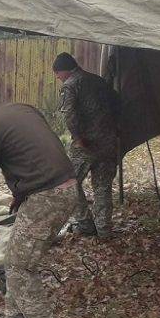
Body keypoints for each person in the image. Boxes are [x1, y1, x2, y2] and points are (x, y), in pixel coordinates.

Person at [0, 80, 75, 318]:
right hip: (68, 188)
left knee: (19, 266)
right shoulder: (23, 109)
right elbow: (37, 152)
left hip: (48, 195)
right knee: (17, 256)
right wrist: (22, 194)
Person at [53, 52, 119, 237]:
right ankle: (104, 229)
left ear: (64, 71)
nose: (57, 78)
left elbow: (69, 115)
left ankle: (85, 224)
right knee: (103, 187)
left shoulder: (70, 85)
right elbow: (118, 104)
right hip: (108, 143)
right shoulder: (99, 81)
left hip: (86, 144)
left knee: (69, 183)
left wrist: (78, 137)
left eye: (57, 74)